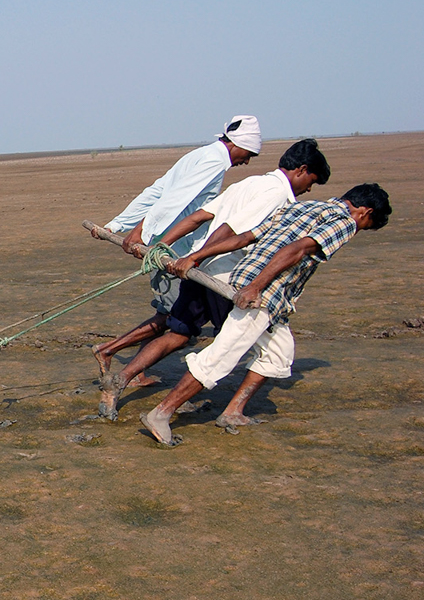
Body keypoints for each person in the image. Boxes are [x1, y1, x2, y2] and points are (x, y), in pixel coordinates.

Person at [139, 183, 391, 446]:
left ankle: (233, 412)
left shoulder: (302, 206)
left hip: (257, 287)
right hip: (262, 293)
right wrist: (256, 287)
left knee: (278, 353)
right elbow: (298, 249)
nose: (360, 229)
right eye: (366, 225)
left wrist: (195, 257)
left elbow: (245, 237)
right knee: (221, 356)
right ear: (365, 212)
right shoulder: (345, 222)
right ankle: (161, 413)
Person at [99, 139, 331, 421]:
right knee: (233, 344)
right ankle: (199, 408)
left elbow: (198, 217)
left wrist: (164, 245)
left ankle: (120, 379)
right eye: (312, 182)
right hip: (226, 275)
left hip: (200, 270)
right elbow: (231, 229)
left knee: (179, 333)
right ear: (302, 170)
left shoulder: (247, 183)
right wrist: (193, 258)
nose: (308, 189)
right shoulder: (275, 194)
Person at [91, 115, 262, 384]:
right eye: (248, 154)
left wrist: (118, 224)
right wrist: (139, 232)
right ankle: (108, 350)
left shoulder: (201, 154)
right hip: (172, 248)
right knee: (173, 316)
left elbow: (157, 190)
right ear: (236, 144)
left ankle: (137, 370)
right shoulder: (214, 161)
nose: (247, 161)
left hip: (168, 243)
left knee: (170, 312)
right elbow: (171, 198)